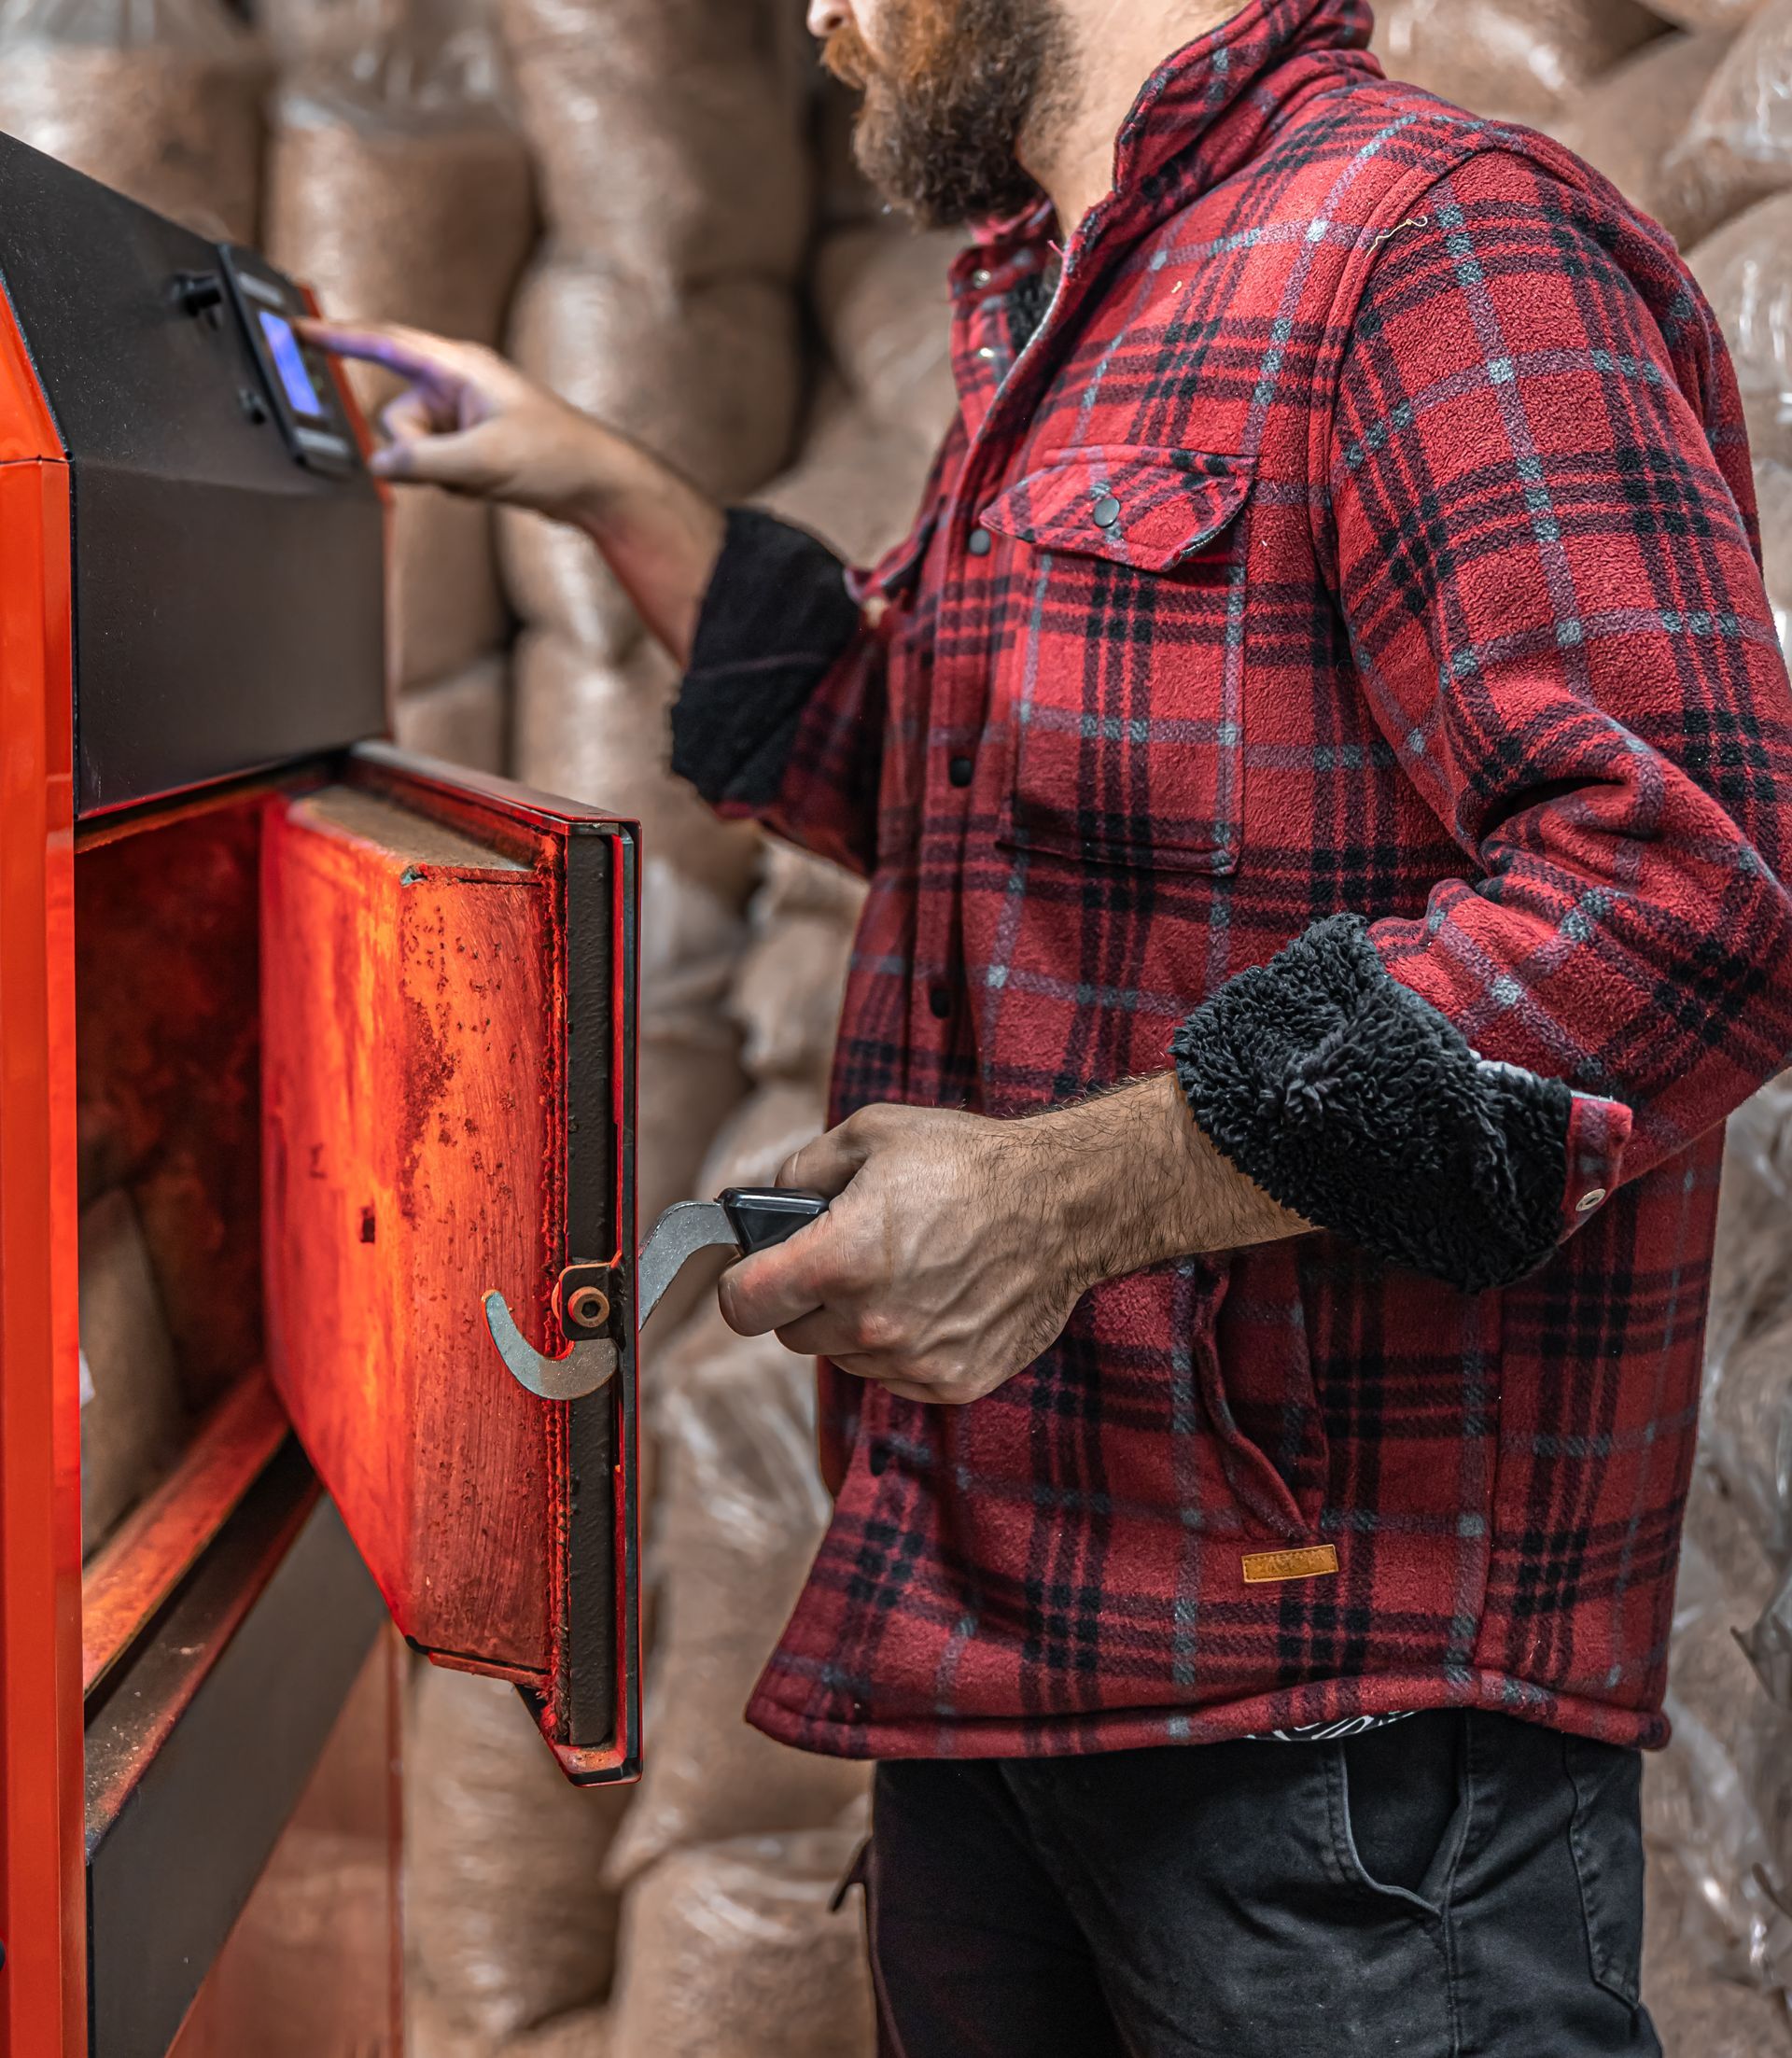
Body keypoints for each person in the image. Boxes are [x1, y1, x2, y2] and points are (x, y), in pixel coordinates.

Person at [310, 2, 1792, 2050]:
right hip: (1006, 1641)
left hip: (1329, 1746)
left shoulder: (1434, 241)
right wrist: (595, 482)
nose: (823, 15)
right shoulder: (1075, 311)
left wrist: (1056, 1201)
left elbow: (1691, 893)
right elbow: (949, 782)